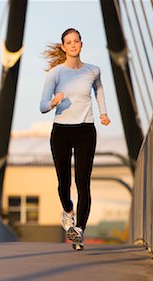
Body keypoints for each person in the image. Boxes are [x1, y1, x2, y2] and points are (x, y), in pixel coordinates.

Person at [39, 28, 110, 251]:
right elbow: (42, 106)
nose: (73, 45)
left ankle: (79, 230)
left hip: (85, 130)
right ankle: (68, 211)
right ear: (63, 47)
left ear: (81, 44)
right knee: (64, 182)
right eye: (68, 42)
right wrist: (53, 102)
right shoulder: (56, 73)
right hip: (61, 131)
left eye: (76, 41)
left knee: (83, 181)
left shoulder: (93, 71)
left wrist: (103, 113)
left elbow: (99, 91)